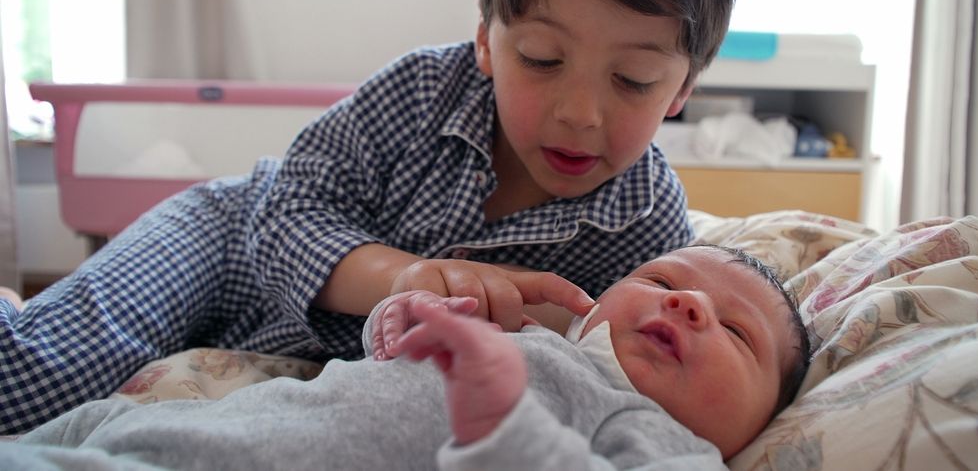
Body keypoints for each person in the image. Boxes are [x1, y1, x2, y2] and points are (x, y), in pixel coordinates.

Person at [0, 0, 738, 434]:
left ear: (680, 89)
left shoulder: (649, 229)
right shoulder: (422, 90)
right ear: (486, 39)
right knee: (28, 382)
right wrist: (402, 277)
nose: (581, 113)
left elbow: (623, 374)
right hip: (223, 246)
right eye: (542, 60)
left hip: (309, 350)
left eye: (634, 79)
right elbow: (284, 210)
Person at [0, 245, 811, 469]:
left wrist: (509, 434)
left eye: (734, 333)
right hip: (192, 431)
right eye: (661, 279)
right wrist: (400, 319)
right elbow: (379, 370)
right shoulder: (529, 338)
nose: (687, 303)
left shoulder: (667, 443)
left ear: (758, 420)